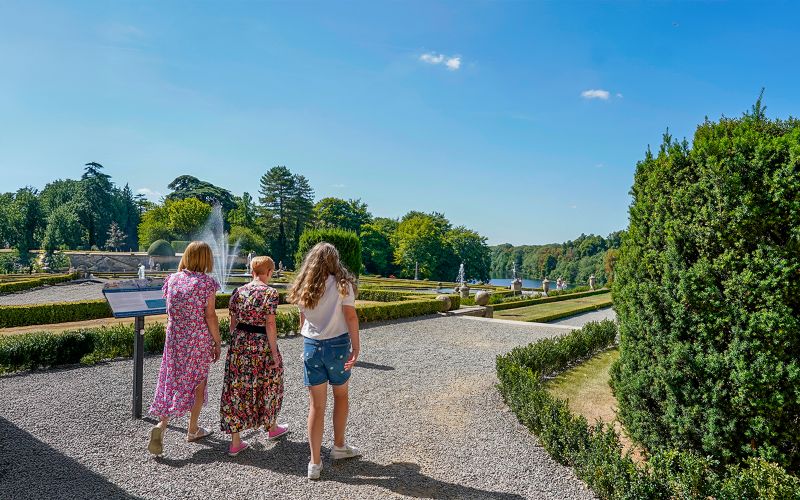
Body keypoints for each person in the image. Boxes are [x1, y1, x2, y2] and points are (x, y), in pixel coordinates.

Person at [289, 242, 362, 480]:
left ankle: (314, 462)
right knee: (341, 396)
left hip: (312, 346)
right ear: (334, 260)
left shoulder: (305, 286)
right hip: (337, 346)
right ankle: (339, 446)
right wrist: (356, 347)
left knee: (316, 406)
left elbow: (302, 320)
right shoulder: (343, 285)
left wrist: (308, 339)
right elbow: (351, 317)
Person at [147, 241, 222, 457]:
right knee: (198, 382)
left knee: (171, 379)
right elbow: (210, 316)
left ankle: (162, 425)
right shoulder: (206, 283)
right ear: (206, 259)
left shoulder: (172, 280)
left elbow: (170, 310)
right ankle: (193, 429)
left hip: (174, 338)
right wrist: (217, 341)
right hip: (197, 339)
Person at [219, 256, 288, 456]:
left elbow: (232, 323)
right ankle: (271, 427)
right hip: (261, 344)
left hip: (239, 344)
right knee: (270, 382)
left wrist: (238, 343)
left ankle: (235, 442)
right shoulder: (270, 293)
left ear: (252, 272)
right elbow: (270, 324)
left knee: (236, 388)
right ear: (269, 272)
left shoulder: (237, 292)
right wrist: (274, 353)